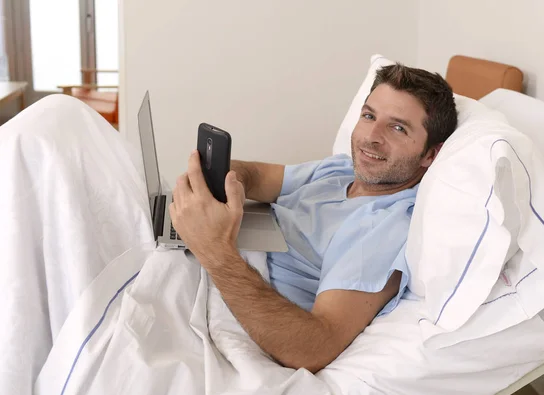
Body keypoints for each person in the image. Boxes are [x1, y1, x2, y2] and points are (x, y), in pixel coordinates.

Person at [169, 63, 457, 372]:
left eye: (398, 128)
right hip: (209, 260)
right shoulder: (341, 170)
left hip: (228, 296)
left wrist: (215, 250)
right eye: (369, 116)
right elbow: (256, 174)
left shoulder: (384, 226)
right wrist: (216, 185)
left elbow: (315, 346)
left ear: (431, 155)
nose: (371, 137)